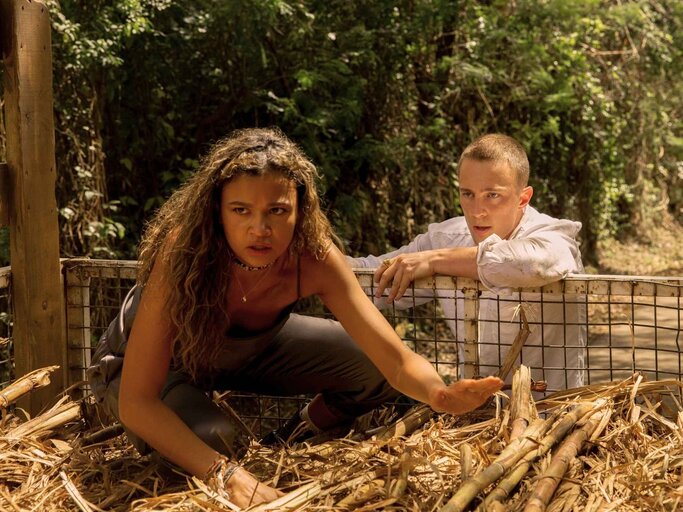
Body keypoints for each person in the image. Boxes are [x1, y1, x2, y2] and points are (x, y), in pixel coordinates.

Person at [86, 127, 502, 508]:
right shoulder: (185, 253)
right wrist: (225, 474)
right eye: (241, 211)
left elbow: (393, 359)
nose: (260, 229)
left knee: (369, 368)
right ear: (217, 211)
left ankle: (291, 437)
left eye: (277, 211)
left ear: (300, 209)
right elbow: (137, 401)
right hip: (148, 372)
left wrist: (439, 393)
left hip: (247, 353)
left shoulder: (315, 257)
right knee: (220, 441)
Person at [348, 133, 586, 392]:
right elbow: (371, 277)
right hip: (474, 418)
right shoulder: (445, 237)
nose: (477, 210)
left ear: (523, 198)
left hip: (552, 413)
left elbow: (533, 263)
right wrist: (316, 249)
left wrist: (436, 260)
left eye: (492, 195)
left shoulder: (552, 235)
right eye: (468, 194)